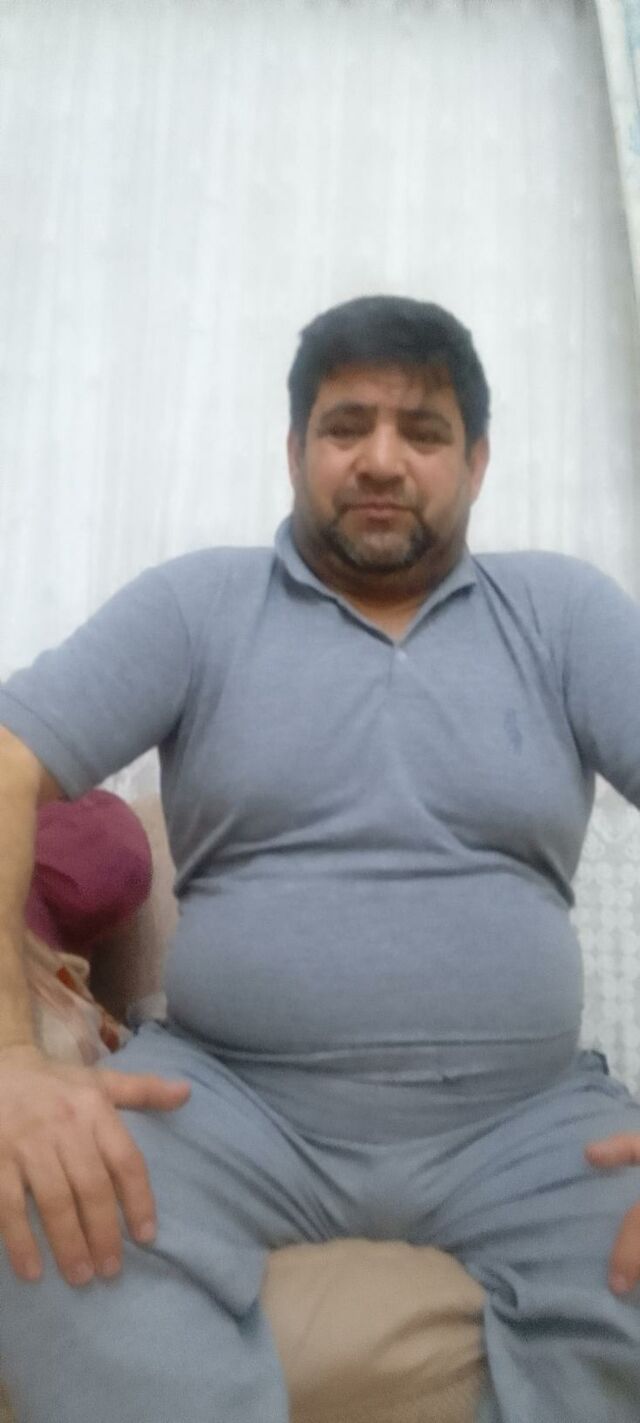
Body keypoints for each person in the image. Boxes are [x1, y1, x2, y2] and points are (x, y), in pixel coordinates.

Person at [0, 293, 640, 1423]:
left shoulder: (565, 614)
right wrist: (9, 1057)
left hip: (526, 1120)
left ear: (477, 462)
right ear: (294, 448)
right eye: (346, 426)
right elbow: (7, 765)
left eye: (423, 431)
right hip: (230, 1103)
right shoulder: (197, 604)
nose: (381, 460)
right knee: (25, 1220)